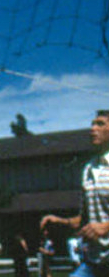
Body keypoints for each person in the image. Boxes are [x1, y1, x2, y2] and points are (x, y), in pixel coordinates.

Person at [41, 110, 109, 276]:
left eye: (100, 124)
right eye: (92, 124)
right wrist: (59, 221)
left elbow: (101, 226)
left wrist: (106, 227)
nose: (93, 128)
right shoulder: (88, 169)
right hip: (95, 260)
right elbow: (85, 219)